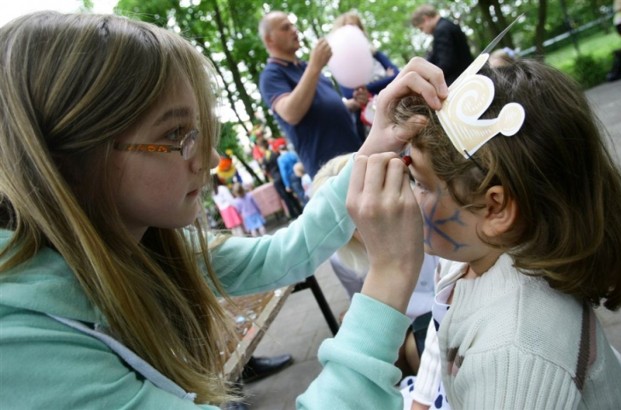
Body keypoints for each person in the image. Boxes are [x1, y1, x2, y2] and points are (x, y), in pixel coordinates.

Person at [0, 11, 450, 409]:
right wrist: (389, 276)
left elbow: (280, 255)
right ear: (69, 161)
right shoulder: (19, 346)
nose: (212, 160)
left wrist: (376, 144)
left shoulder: (135, 244)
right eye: (177, 133)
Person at [390, 55, 621, 409]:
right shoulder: (471, 255)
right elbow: (439, 333)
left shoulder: (513, 359)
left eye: (419, 183)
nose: (407, 194)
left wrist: (387, 272)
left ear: (495, 208)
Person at [311, 153, 437, 377]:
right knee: (376, 361)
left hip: (440, 310)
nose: (370, 218)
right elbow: (361, 299)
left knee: (414, 351)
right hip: (402, 317)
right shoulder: (343, 258)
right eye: (353, 220)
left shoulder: (427, 214)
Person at [258, 11, 363, 177]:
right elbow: (291, 113)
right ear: (269, 40)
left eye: (293, 25)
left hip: (355, 156)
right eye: (286, 28)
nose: (294, 30)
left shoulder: (305, 67)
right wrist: (314, 67)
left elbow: (323, 106)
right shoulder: (271, 75)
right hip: (331, 171)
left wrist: (352, 103)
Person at [331, 10, 401, 141]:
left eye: (356, 26)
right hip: (368, 123)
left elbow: (397, 76)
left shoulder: (376, 55)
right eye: (348, 27)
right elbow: (348, 93)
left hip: (395, 108)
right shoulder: (341, 64)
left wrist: (365, 87)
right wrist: (385, 80)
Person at [411, 4, 474, 85]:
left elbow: (446, 64)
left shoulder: (441, 30)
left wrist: (428, 78)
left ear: (426, 19)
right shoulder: (446, 25)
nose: (423, 31)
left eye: (421, 28)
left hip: (461, 80)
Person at [259, 138, 303, 218]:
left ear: (262, 147)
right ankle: (299, 210)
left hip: (276, 179)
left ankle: (293, 214)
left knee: (285, 197)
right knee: (291, 195)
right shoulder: (275, 154)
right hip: (282, 177)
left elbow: (265, 171)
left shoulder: (265, 158)